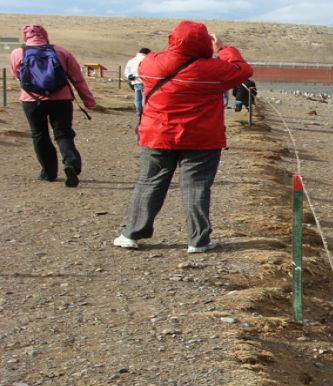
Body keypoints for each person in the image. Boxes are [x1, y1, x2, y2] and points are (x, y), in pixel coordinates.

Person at [113, 20, 252, 253]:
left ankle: (132, 234)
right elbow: (243, 71)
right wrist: (223, 49)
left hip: (158, 134)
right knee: (197, 186)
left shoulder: (151, 63)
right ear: (204, 42)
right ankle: (198, 240)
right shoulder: (213, 70)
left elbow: (145, 69)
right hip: (201, 138)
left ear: (172, 39)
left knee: (150, 182)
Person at [9, 24, 96, 187]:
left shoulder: (17, 53)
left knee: (39, 135)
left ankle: (48, 173)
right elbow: (77, 78)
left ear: (25, 36)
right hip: (61, 99)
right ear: (45, 35)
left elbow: (17, 75)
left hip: (31, 101)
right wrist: (88, 101)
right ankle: (71, 164)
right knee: (63, 133)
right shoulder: (61, 52)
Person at [124, 47, 151, 116]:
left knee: (137, 98)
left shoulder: (131, 60)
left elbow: (126, 72)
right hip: (146, 81)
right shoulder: (148, 59)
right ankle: (144, 112)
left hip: (135, 81)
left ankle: (139, 111)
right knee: (145, 98)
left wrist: (129, 76)